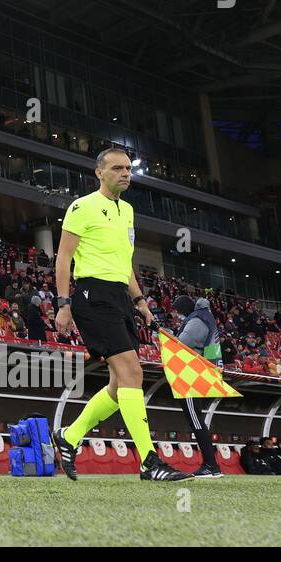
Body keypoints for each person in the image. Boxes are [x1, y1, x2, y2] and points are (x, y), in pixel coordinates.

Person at [52, 147, 187, 482]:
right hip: (91, 295)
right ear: (99, 172)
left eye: (128, 169)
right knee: (132, 371)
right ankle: (149, 461)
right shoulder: (81, 207)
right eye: (117, 168)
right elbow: (63, 259)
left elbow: (124, 264)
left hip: (119, 297)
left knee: (119, 383)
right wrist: (63, 304)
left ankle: (68, 436)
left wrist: (140, 301)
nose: (125, 173)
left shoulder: (127, 210)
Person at [171, 295, 223, 478]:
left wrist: (165, 336)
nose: (176, 315)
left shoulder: (196, 320)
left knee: (195, 420)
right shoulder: (203, 317)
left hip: (190, 375)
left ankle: (211, 465)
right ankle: (211, 465)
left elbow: (181, 345)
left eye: (177, 310)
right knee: (196, 419)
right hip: (196, 372)